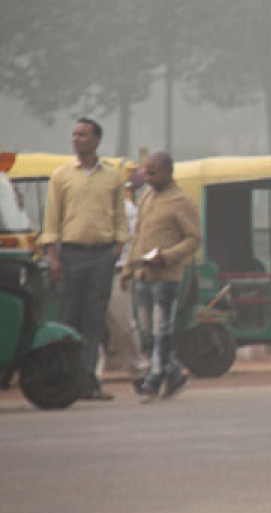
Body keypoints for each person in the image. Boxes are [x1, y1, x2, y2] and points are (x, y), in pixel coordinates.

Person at [38, 118, 128, 400]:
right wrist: (53, 257)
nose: (76, 139)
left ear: (97, 140)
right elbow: (52, 220)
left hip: (102, 255)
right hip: (71, 256)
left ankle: (89, 381)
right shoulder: (62, 175)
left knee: (94, 321)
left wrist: (117, 246)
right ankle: (66, 380)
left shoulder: (112, 176)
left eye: (83, 135)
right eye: (74, 134)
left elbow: (120, 218)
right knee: (68, 320)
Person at [121, 152, 200, 399]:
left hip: (166, 276)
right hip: (142, 275)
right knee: (147, 333)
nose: (148, 176)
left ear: (168, 171)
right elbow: (138, 236)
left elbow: (194, 239)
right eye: (146, 172)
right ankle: (174, 373)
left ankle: (153, 381)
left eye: (153, 172)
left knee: (161, 329)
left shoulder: (181, 201)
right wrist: (127, 269)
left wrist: (166, 256)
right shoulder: (146, 198)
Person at [103, 167, 150, 380]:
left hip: (118, 271)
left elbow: (134, 243)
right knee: (89, 324)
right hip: (91, 269)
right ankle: (90, 376)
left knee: (123, 323)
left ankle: (138, 368)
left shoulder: (127, 209)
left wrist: (128, 271)